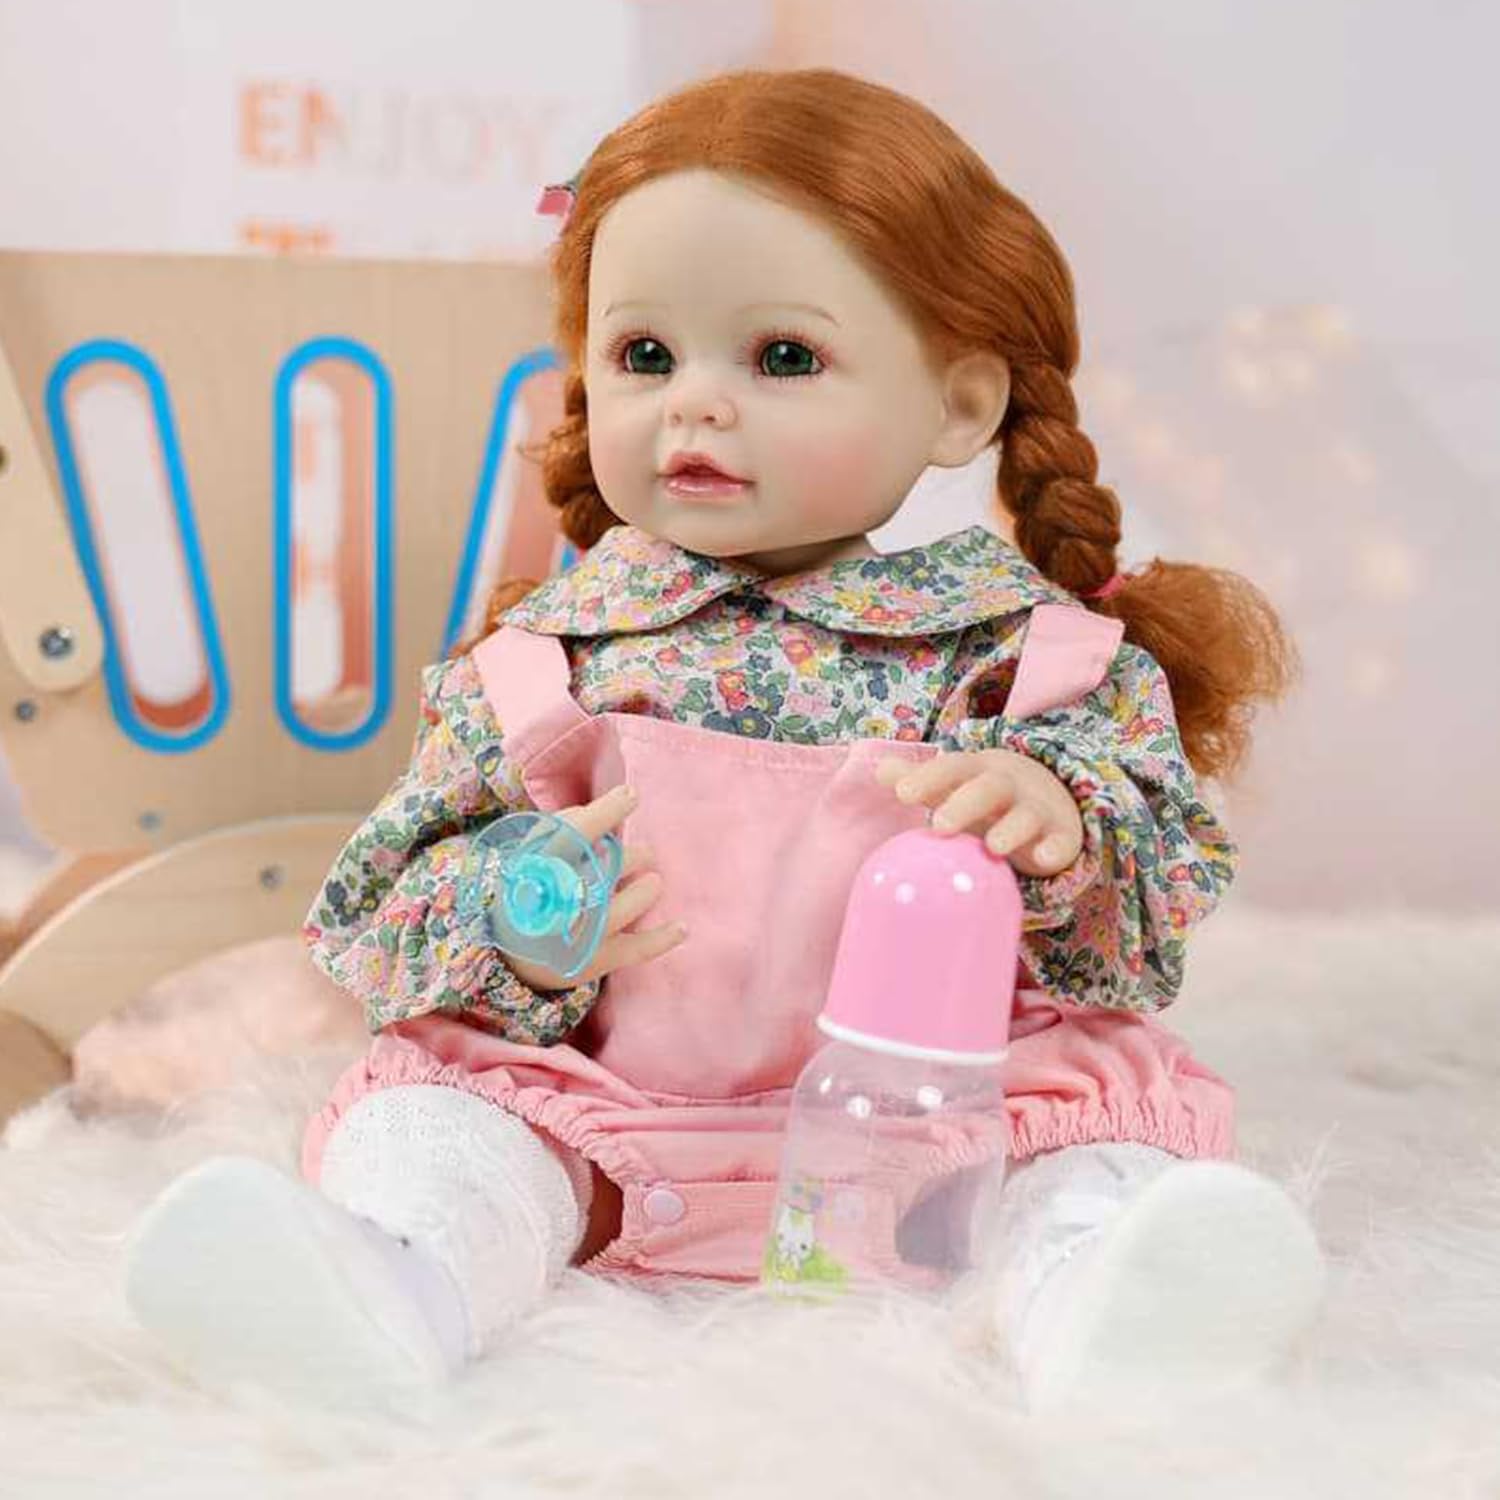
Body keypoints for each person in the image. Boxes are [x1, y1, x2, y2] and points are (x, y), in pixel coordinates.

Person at [125, 67, 1324, 1412]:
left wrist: (1059, 824)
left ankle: (1104, 1310)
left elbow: (1142, 925)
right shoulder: (542, 664)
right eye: (645, 356)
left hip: (940, 1128)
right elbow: (380, 920)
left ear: (958, 403)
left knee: (1087, 1151)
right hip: (604, 1111)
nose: (694, 404)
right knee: (437, 1128)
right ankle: (395, 1288)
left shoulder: (1021, 665)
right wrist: (516, 916)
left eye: (783, 358)